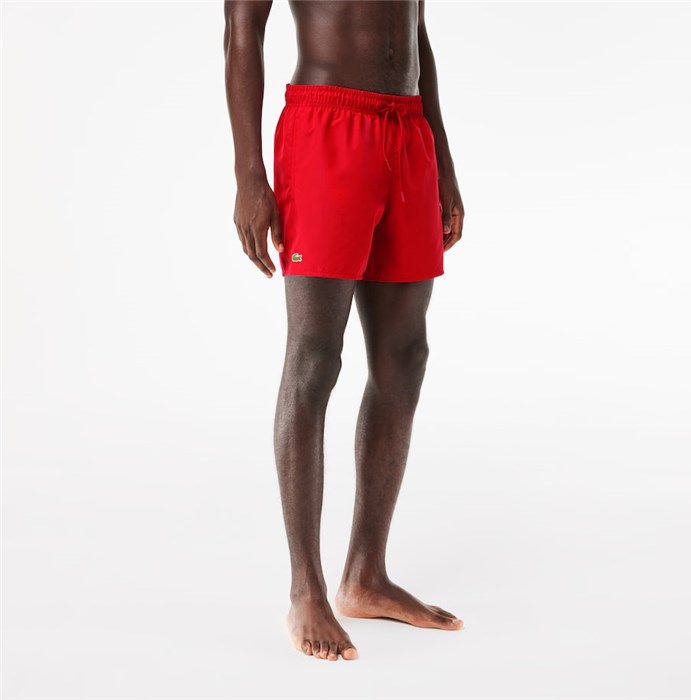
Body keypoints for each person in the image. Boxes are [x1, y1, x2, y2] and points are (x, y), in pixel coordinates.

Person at [224, 0, 465, 662]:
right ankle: (306, 590)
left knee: (405, 357)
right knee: (314, 361)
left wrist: (442, 158)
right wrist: (249, 174)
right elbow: (241, 27)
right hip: (325, 126)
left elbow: (416, 30)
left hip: (407, 129)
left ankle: (366, 574)